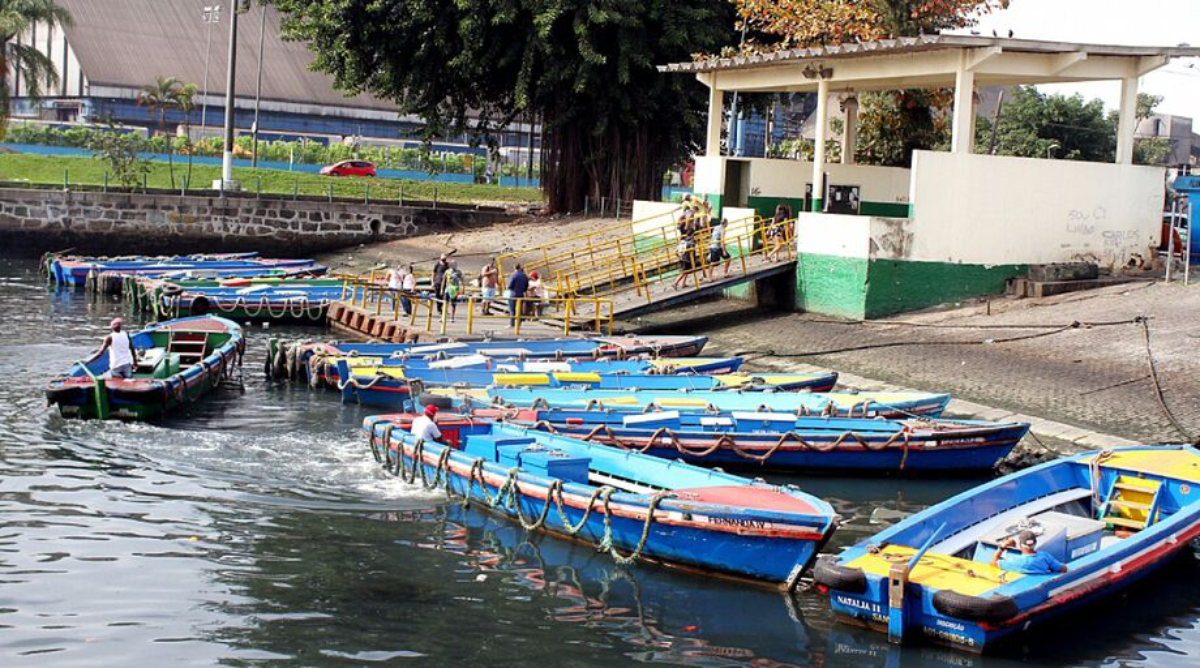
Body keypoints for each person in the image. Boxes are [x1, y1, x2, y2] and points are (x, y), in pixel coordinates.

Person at [989, 530, 1068, 575]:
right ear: (1035, 543)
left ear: (1020, 544)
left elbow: (992, 562)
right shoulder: (1045, 556)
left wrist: (1003, 546)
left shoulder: (1014, 560)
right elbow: (1064, 569)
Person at [507, 263, 529, 327]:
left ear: (515, 268)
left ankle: (512, 324)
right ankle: (519, 324)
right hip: (521, 294)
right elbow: (526, 286)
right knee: (519, 310)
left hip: (513, 294)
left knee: (512, 310)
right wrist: (523, 290)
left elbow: (510, 285)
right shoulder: (524, 275)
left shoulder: (514, 275)